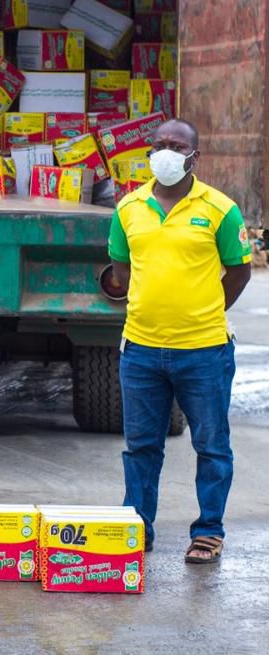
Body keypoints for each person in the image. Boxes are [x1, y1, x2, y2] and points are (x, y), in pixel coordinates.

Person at [109, 118, 252, 563]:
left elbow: (241, 271)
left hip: (205, 351)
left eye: (177, 146)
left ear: (194, 156)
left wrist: (202, 311)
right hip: (141, 350)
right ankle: (137, 528)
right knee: (141, 447)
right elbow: (121, 272)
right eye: (159, 145)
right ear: (150, 153)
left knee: (211, 444)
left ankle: (208, 531)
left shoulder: (220, 209)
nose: (166, 152)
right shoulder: (128, 208)